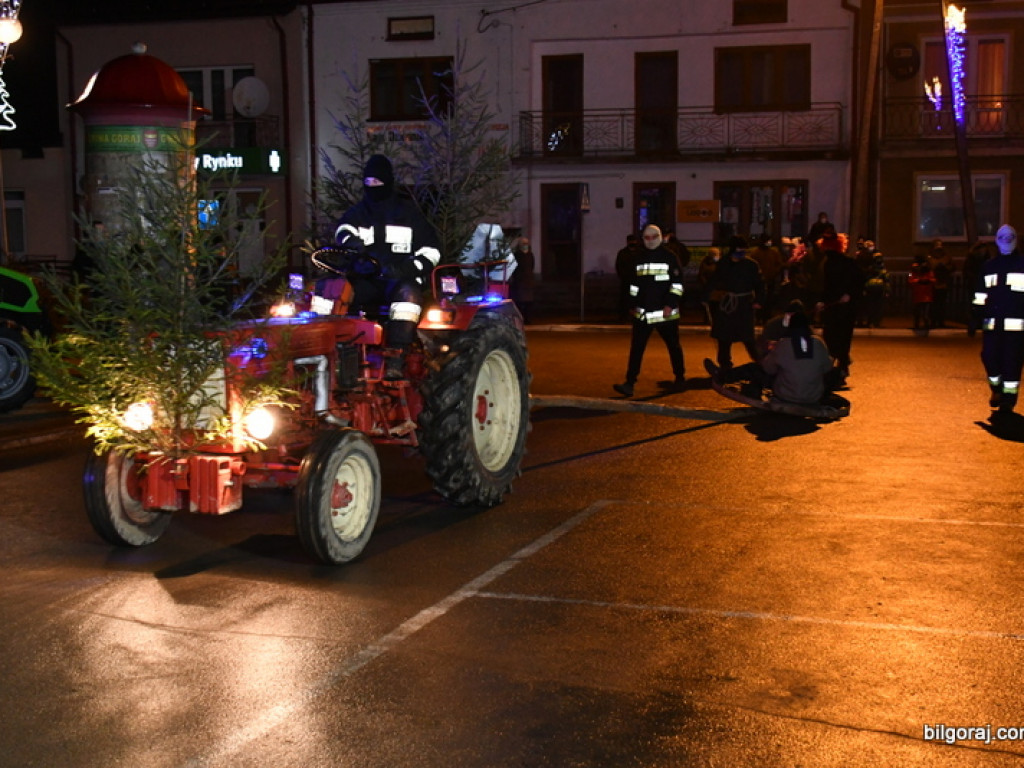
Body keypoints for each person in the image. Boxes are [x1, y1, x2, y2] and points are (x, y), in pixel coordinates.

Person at [334, 154, 442, 379]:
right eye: (368, 182)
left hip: (400, 280)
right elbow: (343, 231)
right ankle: (342, 353)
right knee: (337, 292)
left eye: (377, 182)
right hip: (368, 278)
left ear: (388, 182)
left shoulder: (408, 214)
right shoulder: (359, 213)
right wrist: (354, 248)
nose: (372, 187)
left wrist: (407, 270)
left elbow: (432, 251)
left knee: (407, 299)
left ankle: (397, 355)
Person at [612, 224, 686, 397]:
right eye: (647, 237)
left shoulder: (670, 257)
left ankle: (680, 378)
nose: (650, 240)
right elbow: (633, 285)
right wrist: (631, 305)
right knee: (636, 349)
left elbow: (677, 284)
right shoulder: (638, 258)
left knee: (673, 346)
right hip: (643, 313)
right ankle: (629, 383)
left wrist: (670, 304)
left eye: (654, 237)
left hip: (665, 313)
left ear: (660, 237)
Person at [974, 224, 1024, 413]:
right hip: (993, 325)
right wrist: (976, 315)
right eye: (1003, 238)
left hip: (1017, 329)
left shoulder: (1022, 265)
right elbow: (980, 293)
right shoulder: (989, 266)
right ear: (997, 240)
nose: (1007, 241)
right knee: (989, 358)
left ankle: (1008, 401)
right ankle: (996, 389)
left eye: (1010, 238)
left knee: (1012, 364)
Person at [708, 235, 765, 379]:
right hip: (728, 304)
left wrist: (759, 300)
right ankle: (725, 366)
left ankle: (762, 364)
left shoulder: (751, 265)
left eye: (744, 250)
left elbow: (760, 285)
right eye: (739, 250)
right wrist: (705, 296)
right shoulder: (723, 263)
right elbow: (714, 281)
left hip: (745, 304)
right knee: (724, 337)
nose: (742, 253)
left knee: (748, 337)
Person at [760, 306, 837, 405]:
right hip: (813, 396)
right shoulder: (818, 342)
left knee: (764, 371)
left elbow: (768, 368)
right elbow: (827, 367)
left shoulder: (783, 343)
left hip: (786, 396)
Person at [817, 225, 862, 383]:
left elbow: (858, 282)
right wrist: (821, 301)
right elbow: (824, 285)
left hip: (846, 306)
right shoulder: (825, 263)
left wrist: (849, 295)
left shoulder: (847, 263)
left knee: (843, 335)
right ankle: (841, 360)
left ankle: (842, 365)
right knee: (830, 334)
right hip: (832, 305)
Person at [750, 233, 785, 320]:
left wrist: (774, 273)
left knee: (769, 300)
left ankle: (766, 317)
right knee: (760, 300)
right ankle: (760, 317)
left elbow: (779, 265)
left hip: (770, 280)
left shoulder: (773, 252)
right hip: (760, 281)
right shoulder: (756, 253)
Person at [963, 240, 993, 337]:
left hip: (982, 287)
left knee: (985, 308)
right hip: (976, 286)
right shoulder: (974, 259)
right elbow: (967, 272)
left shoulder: (987, 259)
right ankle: (973, 327)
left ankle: (982, 327)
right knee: (976, 308)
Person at [928, 238, 955, 328]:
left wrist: (945, 268)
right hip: (933, 284)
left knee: (941, 304)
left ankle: (940, 321)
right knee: (933, 304)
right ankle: (933, 321)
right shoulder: (930, 258)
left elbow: (952, 267)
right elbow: (927, 269)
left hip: (943, 283)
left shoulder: (946, 257)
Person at [615, 233, 641, 322]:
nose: (632, 242)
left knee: (635, 298)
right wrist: (623, 276)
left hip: (637, 281)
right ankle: (624, 316)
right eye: (631, 241)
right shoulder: (623, 253)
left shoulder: (640, 253)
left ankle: (636, 316)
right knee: (625, 299)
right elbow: (619, 266)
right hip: (626, 281)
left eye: (634, 240)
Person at [509, 236, 535, 324]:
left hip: (528, 281)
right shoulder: (516, 255)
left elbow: (532, 266)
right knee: (519, 302)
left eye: (526, 244)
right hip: (519, 282)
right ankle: (520, 319)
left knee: (529, 303)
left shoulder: (530, 255)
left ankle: (528, 318)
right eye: (523, 244)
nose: (525, 245)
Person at [861, 249, 890, 328]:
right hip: (874, 289)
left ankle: (873, 322)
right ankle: (873, 322)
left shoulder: (872, 269)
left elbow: (886, 280)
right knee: (874, 306)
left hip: (874, 289)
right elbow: (886, 280)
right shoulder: (877, 269)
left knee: (875, 306)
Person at [908, 255, 935, 331]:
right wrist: (918, 281)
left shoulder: (929, 271)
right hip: (918, 295)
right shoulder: (912, 272)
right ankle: (917, 325)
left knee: (925, 314)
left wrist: (926, 281)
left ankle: (926, 325)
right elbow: (909, 280)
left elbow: (933, 280)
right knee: (917, 313)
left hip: (926, 296)